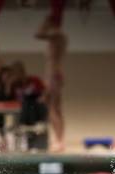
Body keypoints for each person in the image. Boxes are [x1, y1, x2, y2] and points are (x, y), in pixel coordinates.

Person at [35, 14, 67, 152]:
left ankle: (59, 140)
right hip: (54, 75)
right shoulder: (56, 37)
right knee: (56, 109)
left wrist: (45, 21)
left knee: (52, 108)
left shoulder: (57, 35)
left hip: (54, 76)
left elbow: (38, 34)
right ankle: (59, 140)